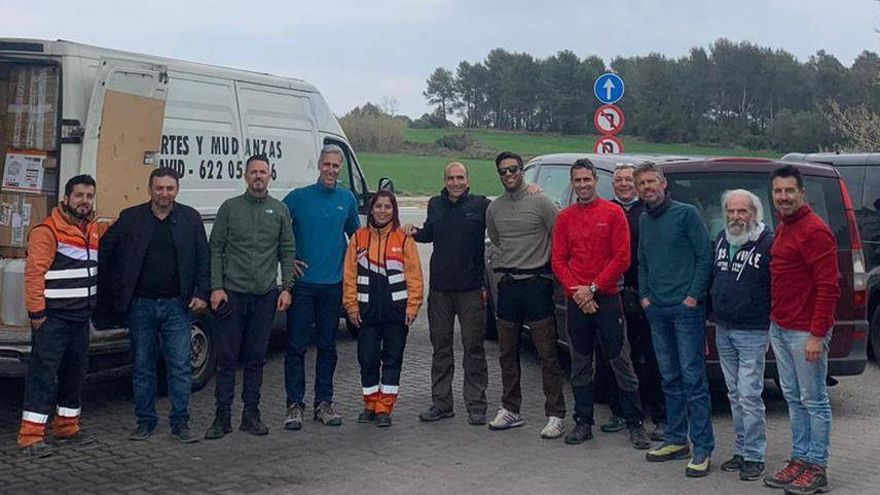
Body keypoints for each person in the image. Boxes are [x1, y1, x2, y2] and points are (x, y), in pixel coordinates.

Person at [98, 167, 210, 444]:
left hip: (177, 306)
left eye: (169, 188)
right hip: (141, 306)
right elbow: (105, 251)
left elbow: (203, 259)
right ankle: (145, 421)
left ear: (177, 190)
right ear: (150, 190)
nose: (164, 194)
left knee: (180, 367)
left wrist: (201, 293)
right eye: (159, 188)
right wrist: (118, 289)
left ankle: (180, 423)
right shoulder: (131, 218)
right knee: (143, 366)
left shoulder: (190, 218)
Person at [550, 159, 651, 450]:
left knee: (621, 360)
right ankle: (583, 421)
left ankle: (634, 422)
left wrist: (593, 289)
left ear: (596, 180)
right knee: (580, 363)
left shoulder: (613, 213)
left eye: (587, 179)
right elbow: (558, 260)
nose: (582, 185)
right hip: (576, 301)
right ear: (573, 183)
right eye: (577, 180)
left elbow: (622, 258)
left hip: (607, 298)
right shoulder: (565, 217)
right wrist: (578, 292)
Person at [204, 154, 296, 439]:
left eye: (263, 172)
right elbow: (216, 248)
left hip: (265, 296)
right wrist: (216, 287)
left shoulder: (279, 210)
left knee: (256, 358)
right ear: (245, 176)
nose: (258, 176)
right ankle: (222, 416)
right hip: (232, 295)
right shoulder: (230, 209)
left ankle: (251, 414)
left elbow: (287, 251)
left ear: (270, 176)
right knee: (227, 358)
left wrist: (287, 288)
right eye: (254, 172)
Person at [763, 165, 840, 495]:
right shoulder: (784, 227)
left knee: (814, 400)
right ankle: (800, 459)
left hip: (805, 332)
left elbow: (829, 286)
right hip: (781, 327)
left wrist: (817, 334)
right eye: (778, 191)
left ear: (801, 193)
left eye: (789, 191)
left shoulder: (814, 231)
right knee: (793, 398)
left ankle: (817, 468)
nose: (783, 197)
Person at [635, 162, 715, 477]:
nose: (646, 188)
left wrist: (693, 296)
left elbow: (704, 257)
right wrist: (644, 296)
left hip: (686, 311)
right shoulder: (644, 219)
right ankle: (676, 439)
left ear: (663, 183)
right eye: (641, 183)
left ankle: (703, 448)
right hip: (657, 309)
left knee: (693, 380)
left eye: (651, 181)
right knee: (669, 378)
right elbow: (642, 261)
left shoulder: (686, 214)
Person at [18, 175, 104, 457]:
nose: (84, 201)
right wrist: (37, 314)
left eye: (89, 196)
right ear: (66, 199)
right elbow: (34, 274)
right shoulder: (48, 230)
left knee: (74, 374)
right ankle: (30, 437)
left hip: (80, 316)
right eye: (79, 195)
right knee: (43, 375)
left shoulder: (91, 228)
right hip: (53, 318)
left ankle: (67, 427)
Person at [400, 162, 491, 426]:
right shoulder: (435, 204)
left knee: (473, 348)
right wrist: (413, 232)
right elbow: (429, 232)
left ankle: (476, 404)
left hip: (471, 290)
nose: (455, 182)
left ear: (468, 179)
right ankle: (441, 403)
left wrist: (530, 191)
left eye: (460, 177)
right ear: (445, 180)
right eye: (451, 178)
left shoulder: (481, 205)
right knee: (441, 348)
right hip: (440, 290)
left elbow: (506, 210)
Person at [485, 151, 567, 439]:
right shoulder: (494, 208)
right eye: (503, 172)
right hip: (508, 285)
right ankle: (511, 409)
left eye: (513, 170)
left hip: (537, 283)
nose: (509, 175)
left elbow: (559, 237)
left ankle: (555, 413)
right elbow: (496, 239)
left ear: (522, 170)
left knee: (547, 353)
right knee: (507, 352)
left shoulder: (542, 202)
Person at [281, 144, 359, 430]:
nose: (331, 170)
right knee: (296, 347)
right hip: (302, 287)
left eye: (336, 166)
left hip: (332, 286)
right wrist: (287, 259)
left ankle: (323, 403)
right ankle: (294, 405)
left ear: (340, 169)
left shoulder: (346, 199)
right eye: (326, 165)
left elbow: (358, 239)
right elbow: (277, 230)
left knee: (327, 347)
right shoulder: (298, 198)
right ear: (319, 165)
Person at [595, 163, 667, 441]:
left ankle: (660, 415)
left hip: (646, 292)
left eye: (629, 179)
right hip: (613, 293)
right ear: (612, 185)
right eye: (619, 180)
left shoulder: (647, 212)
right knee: (616, 355)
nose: (624, 184)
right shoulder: (607, 210)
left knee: (651, 355)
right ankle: (621, 411)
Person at [343, 190, 423, 427]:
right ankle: (369, 404)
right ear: (371, 209)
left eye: (387, 207)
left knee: (392, 359)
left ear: (394, 210)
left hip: (396, 312)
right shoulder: (358, 238)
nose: (382, 211)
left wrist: (413, 307)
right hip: (366, 311)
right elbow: (349, 275)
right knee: (367, 358)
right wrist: (351, 306)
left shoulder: (404, 238)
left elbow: (415, 276)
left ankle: (384, 408)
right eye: (378, 206)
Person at [709, 189, 773, 482]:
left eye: (742, 211)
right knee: (734, 394)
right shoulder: (723, 238)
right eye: (731, 212)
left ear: (754, 213)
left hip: (753, 330)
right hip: (724, 327)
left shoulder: (767, 243)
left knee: (749, 394)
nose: (736, 217)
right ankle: (742, 449)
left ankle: (755, 456)